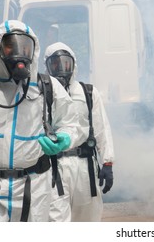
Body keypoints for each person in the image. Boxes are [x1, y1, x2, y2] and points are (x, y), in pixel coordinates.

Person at [0, 20, 81, 222]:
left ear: (33, 50)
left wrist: (65, 138)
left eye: (25, 47)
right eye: (11, 46)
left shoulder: (46, 86)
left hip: (33, 187)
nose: (19, 53)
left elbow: (71, 122)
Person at [44, 42, 114, 222]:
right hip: (54, 167)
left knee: (87, 220)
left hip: (85, 166)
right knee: (56, 221)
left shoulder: (88, 93)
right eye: (55, 64)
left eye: (65, 63)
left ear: (74, 64)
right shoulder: (42, 93)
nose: (61, 69)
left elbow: (101, 128)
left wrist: (107, 163)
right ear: (47, 66)